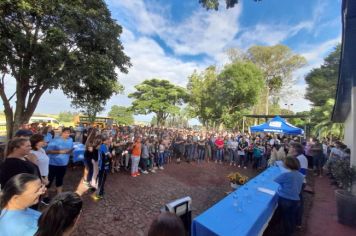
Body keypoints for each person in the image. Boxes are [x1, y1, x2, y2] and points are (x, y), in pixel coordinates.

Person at [274, 157, 304, 236]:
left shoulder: (286, 174)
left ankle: (287, 233)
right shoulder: (301, 175)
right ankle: (290, 231)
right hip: (296, 200)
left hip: (285, 199)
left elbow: (275, 180)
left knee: (285, 218)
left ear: (288, 164)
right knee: (291, 217)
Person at [46, 127, 74, 194]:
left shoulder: (70, 139)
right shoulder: (55, 140)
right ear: (62, 132)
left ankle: (59, 195)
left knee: (60, 179)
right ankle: (45, 196)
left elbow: (70, 149)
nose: (67, 134)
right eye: (65, 133)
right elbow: (48, 151)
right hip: (53, 164)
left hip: (64, 164)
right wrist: (61, 151)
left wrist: (71, 151)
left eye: (68, 133)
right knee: (49, 180)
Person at [92, 135, 112, 200]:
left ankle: (101, 191)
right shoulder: (103, 146)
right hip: (103, 166)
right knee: (102, 180)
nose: (109, 140)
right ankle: (98, 194)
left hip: (103, 165)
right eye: (107, 140)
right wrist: (111, 154)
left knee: (102, 179)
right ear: (104, 141)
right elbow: (110, 156)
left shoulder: (104, 146)